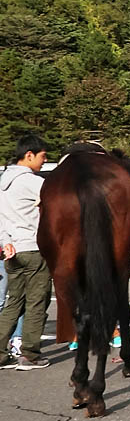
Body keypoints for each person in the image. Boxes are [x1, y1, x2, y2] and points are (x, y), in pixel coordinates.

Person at [0, 134, 53, 370]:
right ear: (29, 155)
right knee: (36, 302)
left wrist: (5, 241)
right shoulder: (32, 182)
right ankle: (30, 354)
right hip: (33, 248)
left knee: (13, 303)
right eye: (42, 156)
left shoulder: (2, 180)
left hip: (11, 251)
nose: (44, 161)